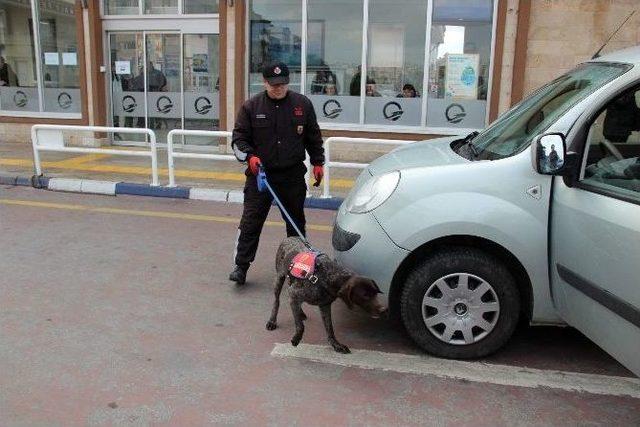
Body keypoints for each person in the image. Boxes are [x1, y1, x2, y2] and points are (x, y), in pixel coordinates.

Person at [229, 61, 325, 285]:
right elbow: (238, 140)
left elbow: (313, 136)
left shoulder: (302, 104)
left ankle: (299, 270)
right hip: (260, 177)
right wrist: (249, 156)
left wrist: (318, 162)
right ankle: (240, 266)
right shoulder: (251, 107)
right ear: (264, 82)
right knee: (251, 222)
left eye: (282, 84)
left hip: (291, 176)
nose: (278, 88)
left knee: (295, 225)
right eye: (273, 84)